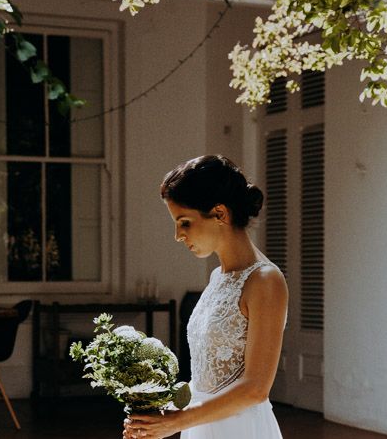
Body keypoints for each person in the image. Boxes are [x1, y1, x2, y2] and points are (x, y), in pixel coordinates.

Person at [123, 154, 288, 439]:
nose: (178, 235)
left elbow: (256, 389)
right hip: (200, 427)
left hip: (240, 430)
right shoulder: (217, 278)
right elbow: (207, 378)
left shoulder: (265, 281)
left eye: (184, 222)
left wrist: (176, 422)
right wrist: (157, 415)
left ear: (220, 214)